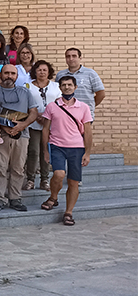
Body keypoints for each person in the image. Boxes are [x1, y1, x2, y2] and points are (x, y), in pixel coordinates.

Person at [40, 75, 93, 227]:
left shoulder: (83, 107)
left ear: (75, 87)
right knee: (59, 174)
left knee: (73, 182)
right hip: (57, 146)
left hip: (76, 148)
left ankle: (68, 212)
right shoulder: (52, 106)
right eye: (63, 85)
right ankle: (53, 197)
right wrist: (45, 150)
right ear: (60, 87)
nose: (67, 87)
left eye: (70, 85)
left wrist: (87, 153)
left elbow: (88, 131)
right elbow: (45, 129)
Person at [0, 65, 39, 212]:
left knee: (18, 168)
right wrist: (4, 128)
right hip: (0, 135)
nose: (9, 76)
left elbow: (34, 112)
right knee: (0, 167)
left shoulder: (25, 92)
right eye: (6, 73)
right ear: (1, 74)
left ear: (16, 76)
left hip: (21, 135)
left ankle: (15, 198)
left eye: (12, 73)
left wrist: (22, 125)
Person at [26, 60, 59, 191]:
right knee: (33, 151)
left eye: (45, 70)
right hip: (33, 122)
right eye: (39, 70)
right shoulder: (27, 86)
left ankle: (44, 179)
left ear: (49, 72)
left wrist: (47, 117)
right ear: (35, 71)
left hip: (51, 124)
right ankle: (30, 179)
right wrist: (37, 115)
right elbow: (25, 103)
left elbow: (59, 103)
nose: (42, 72)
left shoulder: (55, 86)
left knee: (46, 151)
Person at [55, 48, 106, 119]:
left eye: (74, 56)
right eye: (68, 56)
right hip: (65, 115)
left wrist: (89, 106)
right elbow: (57, 93)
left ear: (80, 58)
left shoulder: (90, 73)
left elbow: (101, 94)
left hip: (84, 115)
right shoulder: (60, 75)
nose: (71, 59)